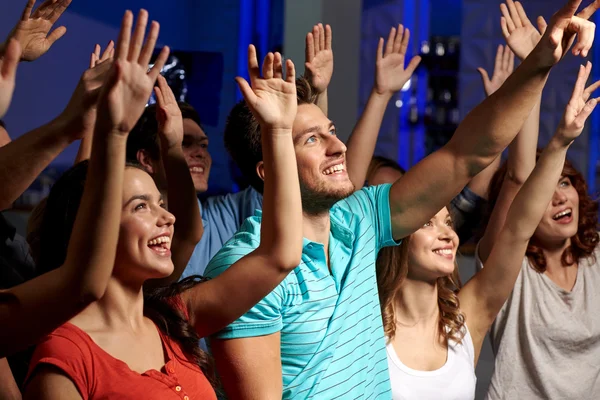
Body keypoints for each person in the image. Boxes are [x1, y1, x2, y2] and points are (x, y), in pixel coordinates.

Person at [204, 1, 598, 397]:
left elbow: (468, 154)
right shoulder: (242, 266)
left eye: (332, 131)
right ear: (268, 168)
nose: (338, 146)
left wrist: (539, 62)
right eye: (312, 139)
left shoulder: (358, 220)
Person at [23, 9, 304, 399]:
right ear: (91, 225)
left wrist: (278, 130)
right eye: (141, 206)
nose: (167, 216)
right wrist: (108, 129)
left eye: (160, 202)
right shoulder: (65, 356)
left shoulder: (172, 318)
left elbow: (281, 256)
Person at [378, 60, 597, 400]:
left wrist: (560, 143)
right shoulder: (363, 318)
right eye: (427, 222)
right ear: (395, 234)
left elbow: (517, 229)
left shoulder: (467, 318)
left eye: (449, 223)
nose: (449, 234)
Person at [476, 1, 600, 398]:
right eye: (544, 194)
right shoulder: (509, 271)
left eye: (565, 183)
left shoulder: (594, 257)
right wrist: (537, 67)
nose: (558, 196)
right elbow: (519, 176)